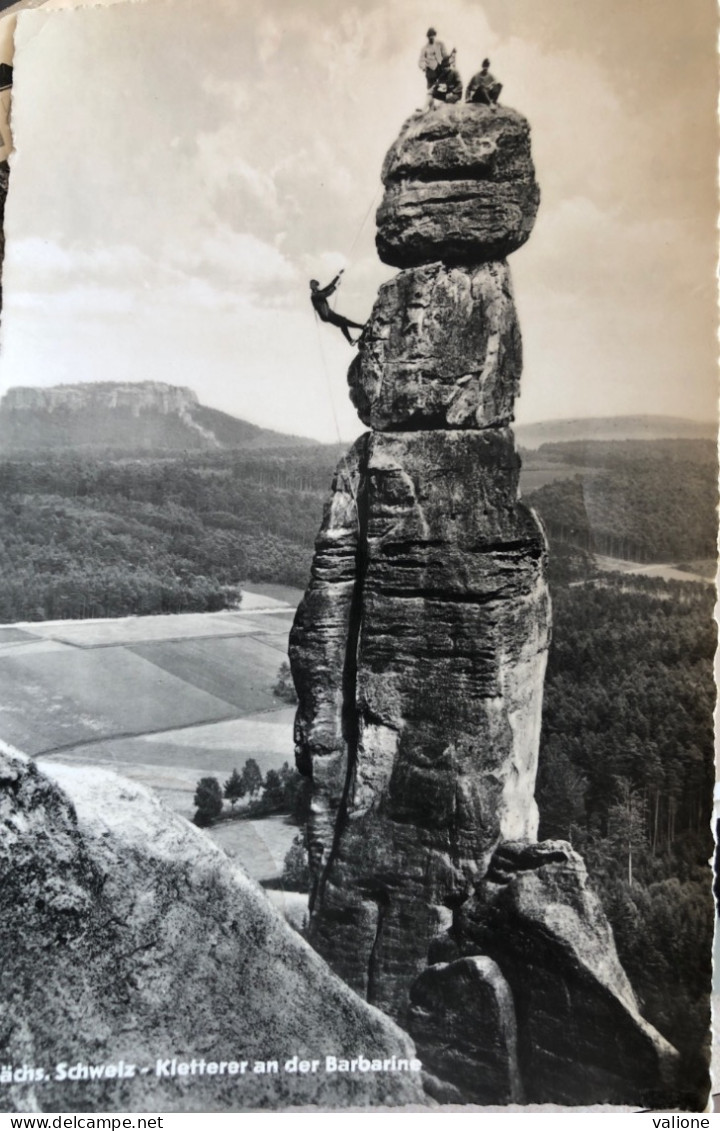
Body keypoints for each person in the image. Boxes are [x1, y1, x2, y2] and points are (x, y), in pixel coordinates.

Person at [309, 271, 365, 346]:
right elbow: (327, 294)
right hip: (327, 314)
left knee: (342, 323)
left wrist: (338, 276)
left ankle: (351, 340)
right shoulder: (314, 295)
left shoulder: (317, 293)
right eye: (316, 285)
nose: (318, 286)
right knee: (343, 320)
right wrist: (335, 287)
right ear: (314, 287)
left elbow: (329, 286)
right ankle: (361, 327)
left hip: (326, 315)